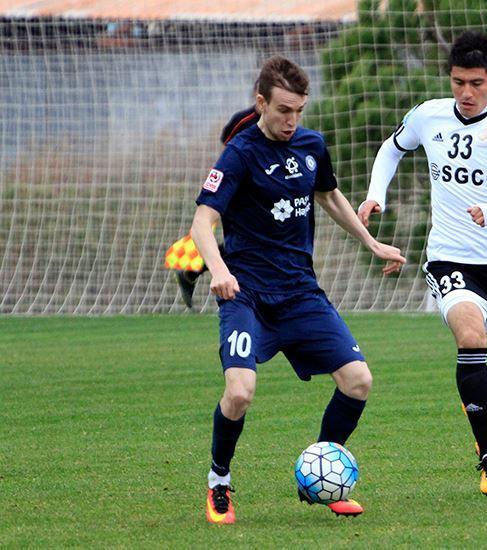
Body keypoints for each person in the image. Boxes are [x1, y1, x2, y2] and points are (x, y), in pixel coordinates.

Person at [192, 56, 405, 524]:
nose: (292, 120)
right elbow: (202, 222)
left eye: (299, 111)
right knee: (240, 393)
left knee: (358, 381)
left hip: (300, 294)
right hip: (246, 296)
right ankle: (219, 481)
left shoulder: (311, 145)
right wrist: (219, 271)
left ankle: (320, 474)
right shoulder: (239, 154)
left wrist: (370, 242)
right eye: (283, 110)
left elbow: (328, 195)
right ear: (261, 102)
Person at [358, 30, 487, 496]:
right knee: (469, 337)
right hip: (450, 258)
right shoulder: (429, 115)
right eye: (458, 82)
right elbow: (392, 148)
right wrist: (375, 194)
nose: (466, 93)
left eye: (477, 83)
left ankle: (478, 400)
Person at [166, 105, 260, 308]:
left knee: (258, 241)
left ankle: (192, 272)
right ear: (262, 99)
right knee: (247, 242)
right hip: (242, 192)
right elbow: (228, 145)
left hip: (267, 193)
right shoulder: (245, 120)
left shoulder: (286, 123)